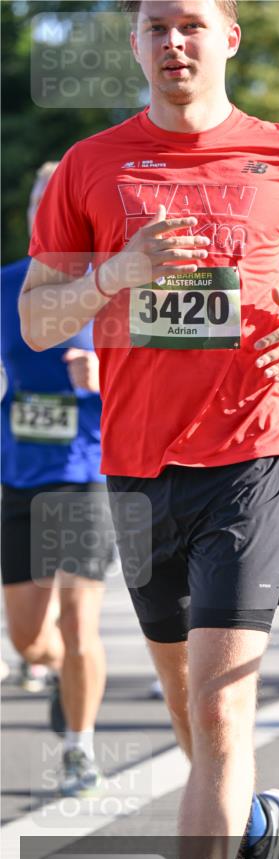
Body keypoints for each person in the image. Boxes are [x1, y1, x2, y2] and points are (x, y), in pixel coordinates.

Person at [19, 1, 279, 859]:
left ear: (228, 39)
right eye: (154, 25)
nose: (172, 41)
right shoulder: (91, 165)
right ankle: (254, 820)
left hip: (255, 453)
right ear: (135, 43)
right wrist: (117, 274)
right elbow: (40, 319)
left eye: (191, 23)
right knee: (189, 710)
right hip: (139, 468)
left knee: (222, 711)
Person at [2, 162, 112, 796]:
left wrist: (104, 382)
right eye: (38, 205)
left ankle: (79, 747)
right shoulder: (6, 287)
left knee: (78, 621)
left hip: (83, 475)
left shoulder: (111, 289)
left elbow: (156, 383)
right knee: (28, 639)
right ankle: (63, 680)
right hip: (19, 476)